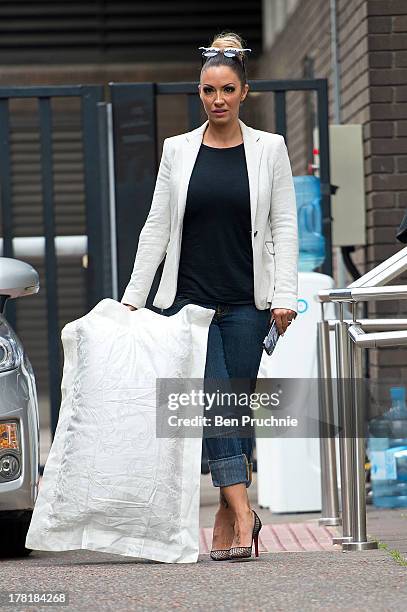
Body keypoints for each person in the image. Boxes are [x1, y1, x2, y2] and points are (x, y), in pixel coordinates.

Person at [121, 31, 299, 561]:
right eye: (206, 90)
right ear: (198, 93)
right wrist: (135, 298)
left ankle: (226, 512)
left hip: (249, 302)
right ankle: (245, 514)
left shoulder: (271, 148)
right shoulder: (177, 151)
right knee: (217, 402)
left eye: (226, 89)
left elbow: (284, 225)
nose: (216, 99)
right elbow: (156, 228)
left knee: (234, 410)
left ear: (245, 92)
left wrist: (286, 295)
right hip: (189, 302)